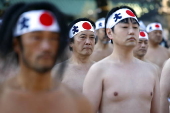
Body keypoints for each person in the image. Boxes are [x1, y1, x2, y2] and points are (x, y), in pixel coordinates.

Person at [0, 2, 93, 113]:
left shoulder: (78, 104)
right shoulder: (3, 100)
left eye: (53, 38)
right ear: (17, 44)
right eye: (36, 38)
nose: (46, 47)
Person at [83, 6, 160, 113]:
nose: (131, 32)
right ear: (109, 32)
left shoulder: (151, 70)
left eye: (135, 27)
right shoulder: (98, 70)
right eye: (125, 27)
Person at [52, 18, 95, 92]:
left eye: (92, 37)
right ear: (70, 42)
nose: (88, 42)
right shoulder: (58, 71)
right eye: (82, 37)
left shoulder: (100, 68)